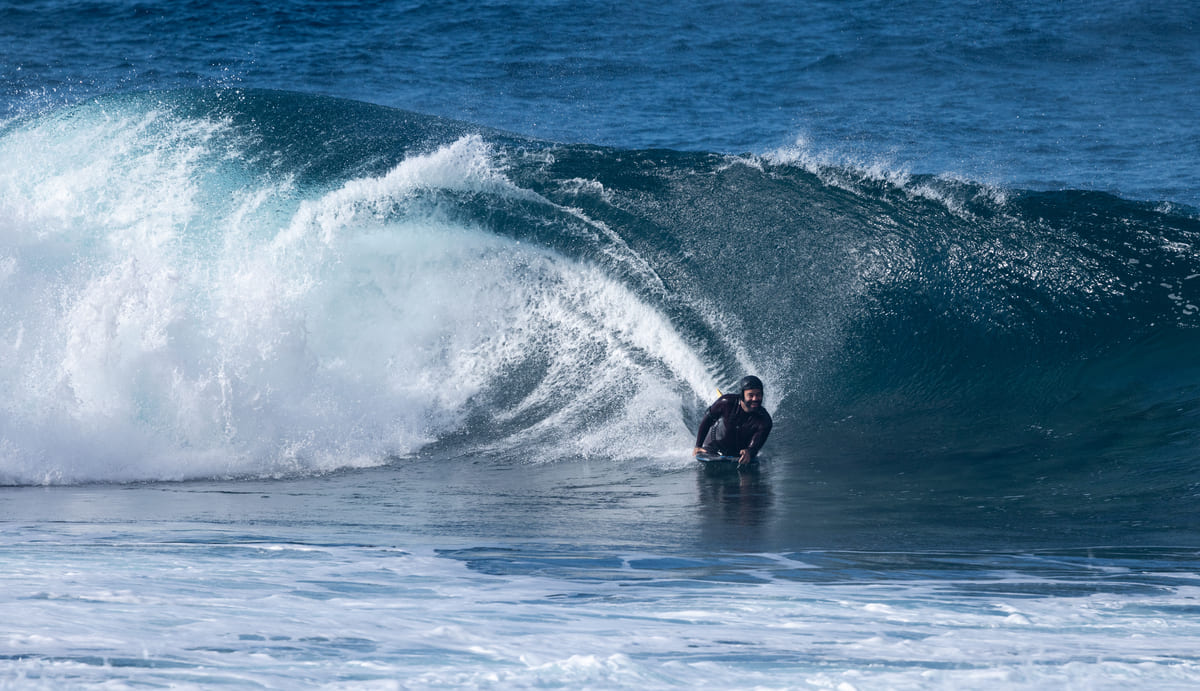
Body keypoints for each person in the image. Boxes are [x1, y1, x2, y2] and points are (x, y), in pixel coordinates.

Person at [694, 375, 773, 465]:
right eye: (751, 395)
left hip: (737, 454)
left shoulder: (765, 421)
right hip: (713, 448)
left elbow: (756, 445)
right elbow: (707, 420)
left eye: (758, 395)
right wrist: (698, 446)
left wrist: (749, 453)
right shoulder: (725, 402)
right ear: (742, 395)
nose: (755, 399)